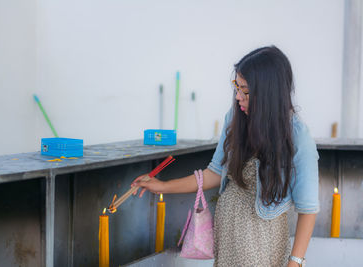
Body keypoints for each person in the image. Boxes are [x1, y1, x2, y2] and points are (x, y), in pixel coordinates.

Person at [132, 46, 319, 267]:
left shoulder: (297, 136)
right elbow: (215, 172)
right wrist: (161, 186)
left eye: (246, 91)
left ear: (269, 92)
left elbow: (308, 209)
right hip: (228, 235)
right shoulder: (235, 117)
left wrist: (295, 262)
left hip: (260, 241)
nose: (238, 97)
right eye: (236, 87)